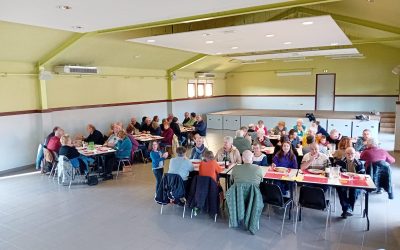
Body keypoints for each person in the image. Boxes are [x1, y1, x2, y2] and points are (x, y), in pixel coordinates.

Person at [336, 147, 365, 218]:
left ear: (355, 154)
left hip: (356, 182)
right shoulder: (340, 162)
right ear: (345, 154)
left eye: (352, 153)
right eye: (348, 153)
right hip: (344, 181)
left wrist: (355, 177)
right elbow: (337, 174)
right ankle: (347, 209)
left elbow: (362, 176)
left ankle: (347, 210)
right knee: (340, 189)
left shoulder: (359, 164)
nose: (350, 155)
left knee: (354, 190)